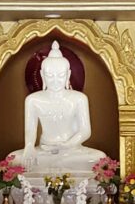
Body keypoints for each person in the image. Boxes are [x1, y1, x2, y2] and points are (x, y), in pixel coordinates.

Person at [8, 42, 105, 174]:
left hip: (72, 151)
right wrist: (29, 147)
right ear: (42, 75)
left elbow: (85, 131)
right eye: (50, 76)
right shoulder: (33, 100)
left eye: (60, 76)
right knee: (12, 160)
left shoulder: (79, 98)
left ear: (68, 75)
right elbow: (30, 129)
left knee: (99, 158)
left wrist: (67, 145)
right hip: (44, 150)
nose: (55, 81)